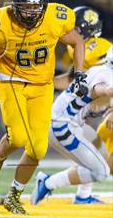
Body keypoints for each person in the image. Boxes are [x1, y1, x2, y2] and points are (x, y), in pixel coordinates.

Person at [0, 0, 86, 214]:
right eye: (26, 7)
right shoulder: (1, 22)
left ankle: (14, 195)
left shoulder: (54, 18)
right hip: (12, 82)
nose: (31, 12)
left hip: (42, 85)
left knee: (38, 149)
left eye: (36, 7)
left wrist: (79, 73)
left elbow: (77, 41)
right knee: (18, 137)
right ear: (15, 5)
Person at [31, 47, 112, 205]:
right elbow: (105, 89)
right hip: (62, 125)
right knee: (102, 172)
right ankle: (47, 182)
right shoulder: (107, 75)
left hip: (67, 123)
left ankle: (83, 196)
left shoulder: (98, 69)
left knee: (99, 153)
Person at [53, 6, 112, 203]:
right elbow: (72, 79)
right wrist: (41, 82)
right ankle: (83, 195)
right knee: (95, 153)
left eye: (75, 28)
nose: (70, 31)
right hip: (91, 107)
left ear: (86, 30)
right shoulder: (75, 47)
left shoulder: (99, 48)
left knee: (101, 158)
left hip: (105, 103)